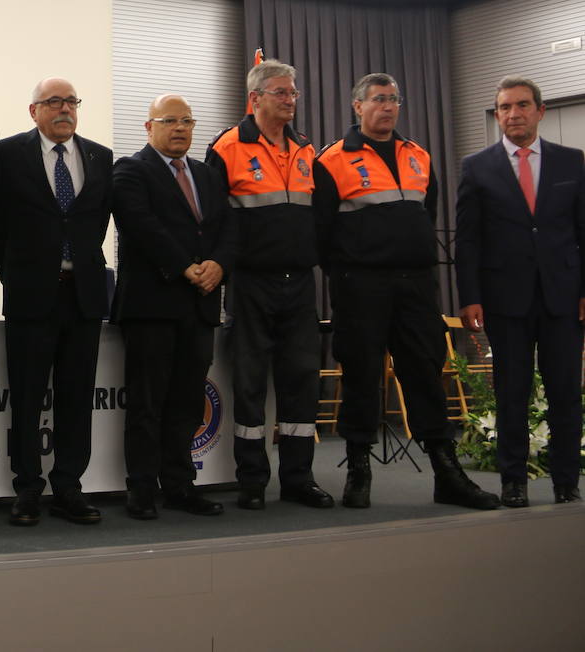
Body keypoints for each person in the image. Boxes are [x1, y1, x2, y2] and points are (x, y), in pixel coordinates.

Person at [314, 73, 499, 510]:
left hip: (416, 286)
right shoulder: (332, 159)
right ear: (357, 106)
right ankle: (359, 470)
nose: (389, 107)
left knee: (425, 377)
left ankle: (446, 473)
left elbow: (425, 214)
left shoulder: (417, 155)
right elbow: (320, 233)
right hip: (360, 287)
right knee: (361, 378)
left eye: (395, 99)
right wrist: (348, 273)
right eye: (379, 99)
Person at [205, 61, 334, 511]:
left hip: (299, 283)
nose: (291, 99)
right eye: (281, 92)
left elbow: (317, 214)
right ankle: (253, 480)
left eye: (294, 93)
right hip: (250, 283)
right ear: (256, 98)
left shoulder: (305, 148)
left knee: (302, 381)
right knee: (250, 384)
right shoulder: (226, 148)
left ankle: (299, 477)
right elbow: (215, 221)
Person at [455, 76, 584, 505]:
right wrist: (469, 296)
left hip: (563, 296)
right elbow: (468, 238)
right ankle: (514, 481)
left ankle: (567, 481)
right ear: (498, 115)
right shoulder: (477, 166)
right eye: (505, 107)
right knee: (512, 392)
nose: (513, 114)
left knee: (565, 391)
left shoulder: (572, 162)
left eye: (522, 105)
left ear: (540, 111)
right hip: (503, 299)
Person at [0, 77, 111, 527]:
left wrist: (73, 265)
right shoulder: (6, 155)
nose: (65, 109)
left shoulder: (99, 156)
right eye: (54, 102)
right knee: (27, 396)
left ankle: (68, 487)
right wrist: (19, 275)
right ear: (33, 110)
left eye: (71, 101)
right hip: (30, 297)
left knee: (77, 397)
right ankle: (26, 489)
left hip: (83, 297)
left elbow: (94, 224)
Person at [111, 94, 236, 520]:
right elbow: (142, 226)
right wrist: (187, 267)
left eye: (187, 121)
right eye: (170, 120)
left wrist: (219, 264)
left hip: (200, 305)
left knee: (187, 402)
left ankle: (181, 485)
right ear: (149, 127)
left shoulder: (205, 173)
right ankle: (142, 489)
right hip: (153, 304)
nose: (180, 128)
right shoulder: (130, 170)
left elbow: (228, 226)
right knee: (148, 403)